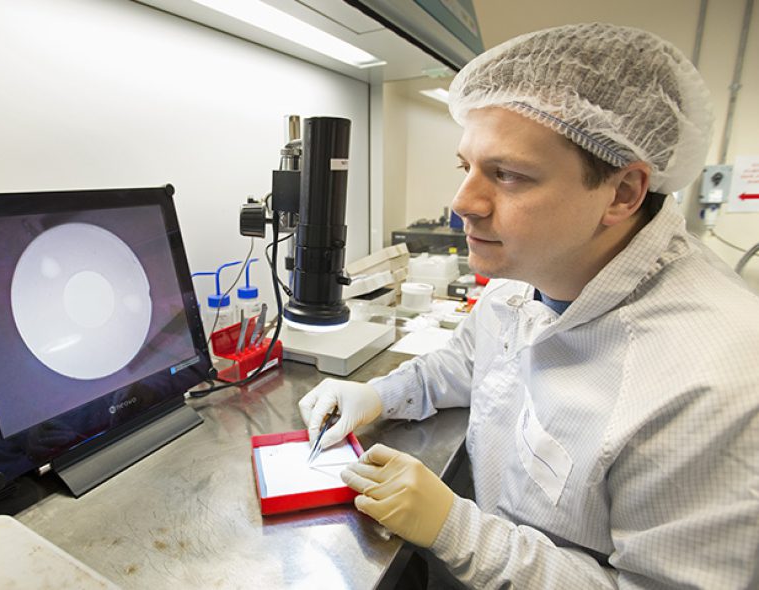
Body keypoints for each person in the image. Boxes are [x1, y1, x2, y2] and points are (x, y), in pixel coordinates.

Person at [299, 22, 759, 589]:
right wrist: (378, 394)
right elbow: (471, 364)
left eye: (509, 175)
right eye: (464, 166)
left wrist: (455, 529)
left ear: (623, 192)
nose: (462, 203)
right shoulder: (530, 268)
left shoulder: (712, 383)